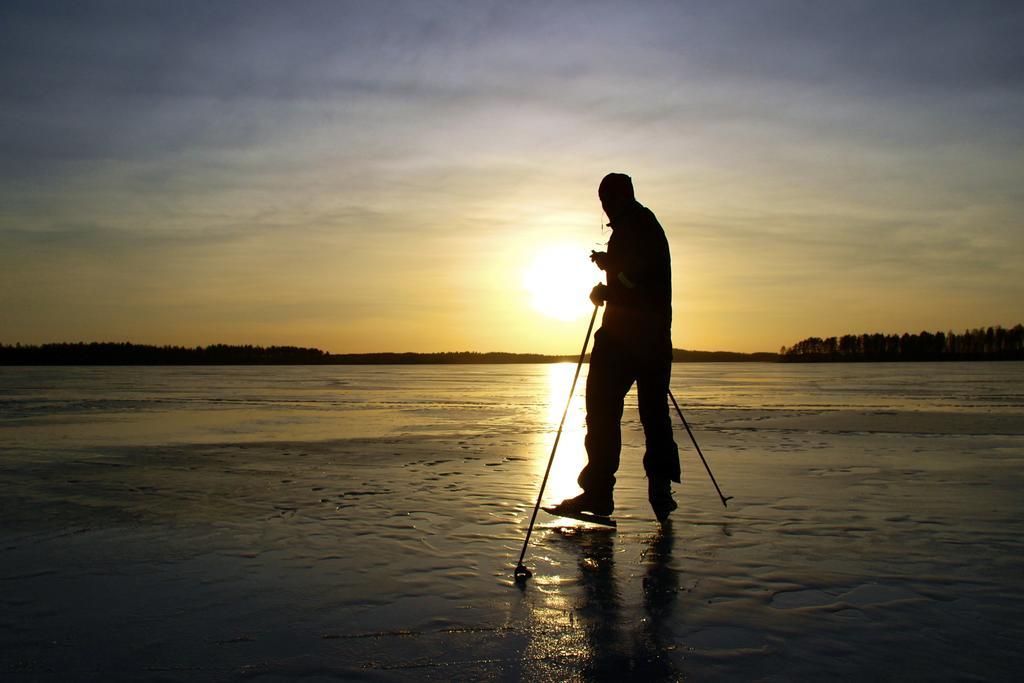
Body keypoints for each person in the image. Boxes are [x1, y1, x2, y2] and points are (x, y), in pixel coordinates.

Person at [553, 173, 681, 522]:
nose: (605, 206)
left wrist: (607, 290)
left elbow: (639, 279)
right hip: (650, 337)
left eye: (608, 199)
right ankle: (657, 490)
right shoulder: (637, 225)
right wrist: (609, 264)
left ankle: (608, 491)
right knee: (649, 415)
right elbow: (635, 271)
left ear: (623, 197)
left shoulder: (638, 227)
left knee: (605, 409)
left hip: (628, 338)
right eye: (602, 200)